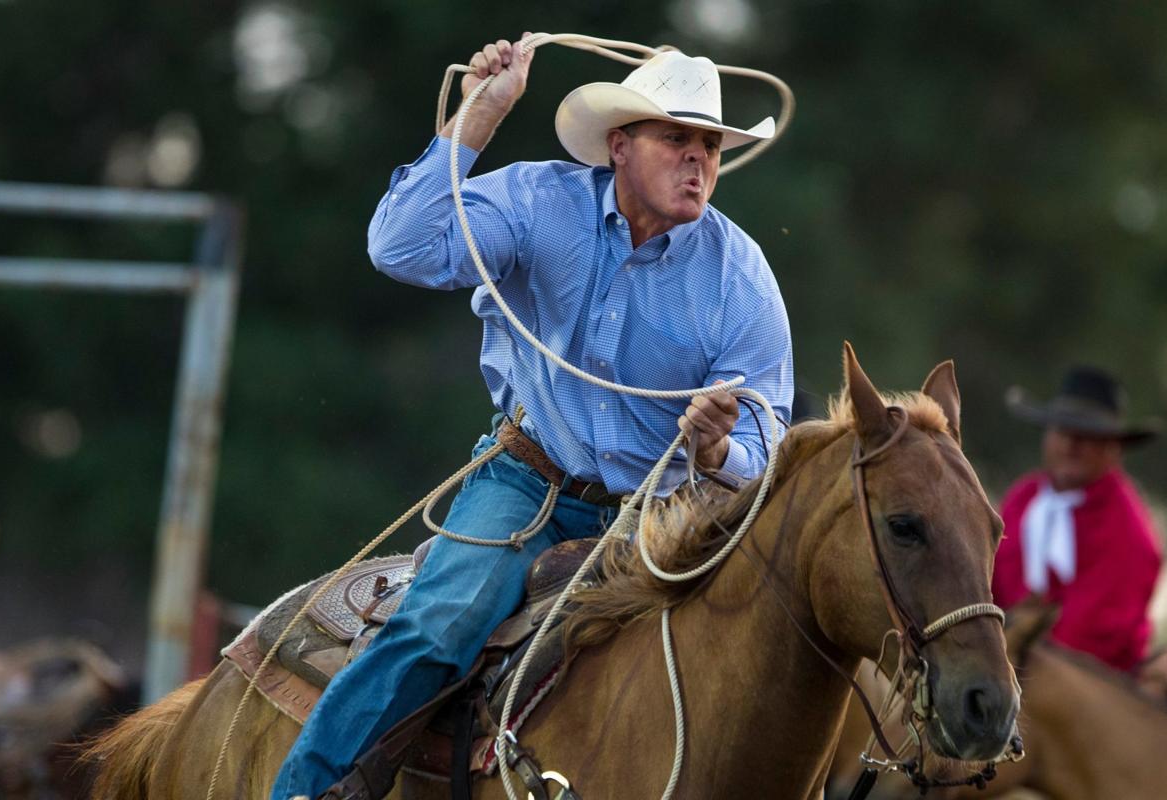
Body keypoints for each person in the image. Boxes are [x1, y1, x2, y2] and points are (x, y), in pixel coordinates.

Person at [272, 35, 794, 799]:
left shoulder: (742, 278)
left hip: (664, 519)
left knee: (757, 658)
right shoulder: (541, 202)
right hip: (530, 487)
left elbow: (767, 436)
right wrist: (481, 115)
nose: (698, 159)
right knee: (439, 626)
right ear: (619, 146)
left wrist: (717, 455)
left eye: (709, 143)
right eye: (676, 137)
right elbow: (399, 245)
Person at [991, 366, 1163, 673]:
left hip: (1080, 683)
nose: (1071, 445)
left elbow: (1091, 637)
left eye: (1087, 436)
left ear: (1113, 448)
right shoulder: (1023, 498)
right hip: (1005, 662)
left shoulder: (1128, 529)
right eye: (1062, 431)